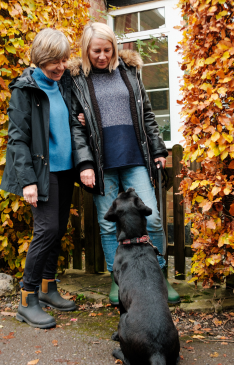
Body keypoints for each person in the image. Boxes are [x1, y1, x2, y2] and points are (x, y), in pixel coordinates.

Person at [68, 22, 179, 304]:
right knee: (108, 226)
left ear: (115, 48)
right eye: (96, 51)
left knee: (152, 218)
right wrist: (85, 165)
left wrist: (158, 149)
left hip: (134, 157)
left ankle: (160, 278)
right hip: (102, 163)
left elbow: (147, 115)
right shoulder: (77, 79)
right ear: (86, 50)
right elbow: (76, 127)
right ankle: (118, 281)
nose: (102, 56)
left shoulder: (129, 72)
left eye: (107, 50)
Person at [0, 28, 79, 329]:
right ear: (40, 59)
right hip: (41, 173)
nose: (60, 66)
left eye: (64, 59)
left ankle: (48, 288)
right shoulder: (25, 89)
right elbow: (17, 139)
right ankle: (26, 299)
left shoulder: (65, 83)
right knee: (46, 230)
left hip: (65, 169)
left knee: (58, 231)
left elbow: (67, 118)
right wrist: (28, 181)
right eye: (54, 61)